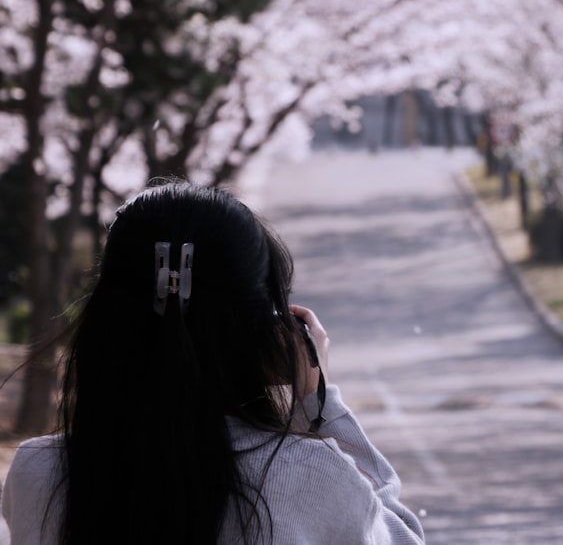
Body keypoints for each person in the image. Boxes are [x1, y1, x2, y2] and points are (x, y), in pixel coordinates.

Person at [1, 182, 425, 544]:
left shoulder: (37, 473)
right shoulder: (310, 474)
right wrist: (319, 404)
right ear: (265, 333)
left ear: (106, 322)